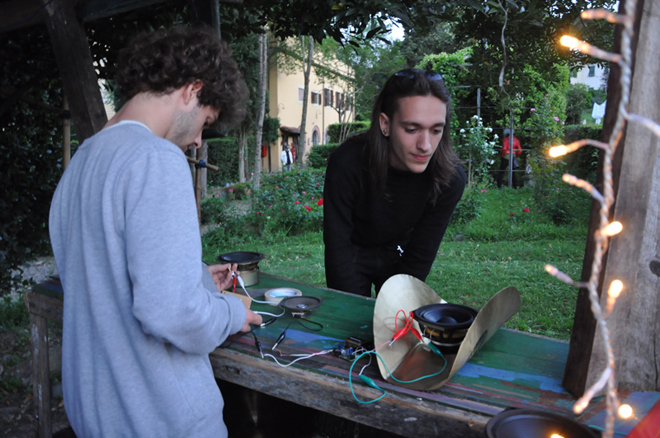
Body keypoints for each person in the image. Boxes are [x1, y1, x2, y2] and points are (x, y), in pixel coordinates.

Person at [48, 26, 262, 438]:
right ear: (192, 89)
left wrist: (196, 278)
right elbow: (173, 314)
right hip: (157, 418)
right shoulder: (156, 160)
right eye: (205, 121)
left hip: (96, 414)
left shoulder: (80, 164)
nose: (199, 140)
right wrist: (232, 311)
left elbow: (105, 281)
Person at [323, 68, 466, 297]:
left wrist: (397, 305)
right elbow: (337, 248)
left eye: (436, 130)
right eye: (412, 129)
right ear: (385, 124)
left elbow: (420, 255)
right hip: (353, 250)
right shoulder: (347, 163)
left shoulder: (450, 179)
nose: (426, 145)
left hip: (402, 251)